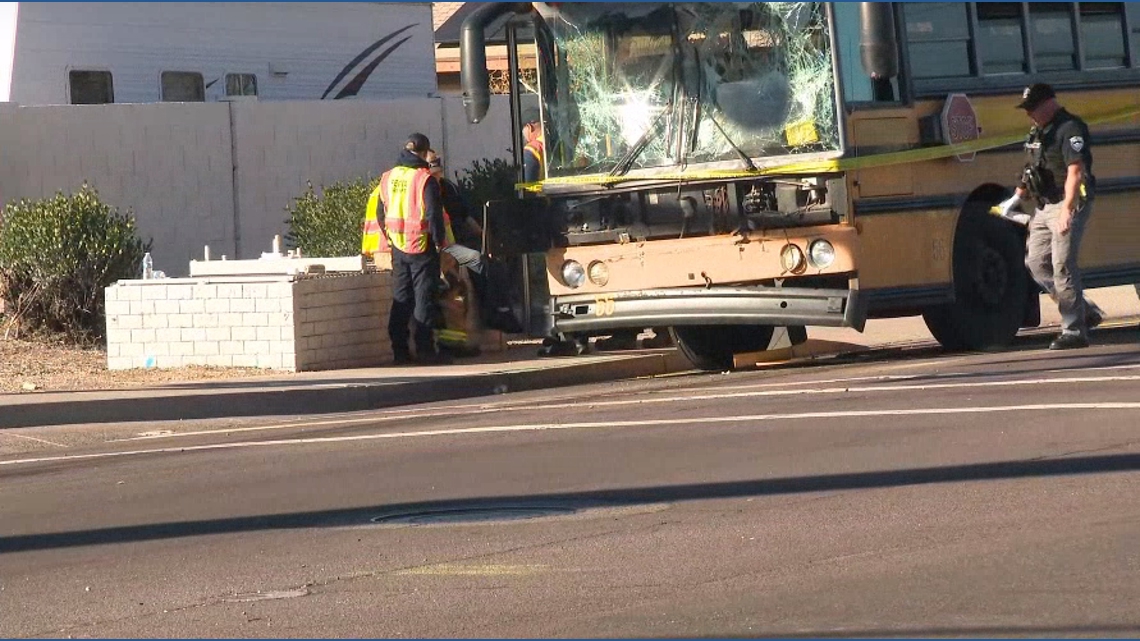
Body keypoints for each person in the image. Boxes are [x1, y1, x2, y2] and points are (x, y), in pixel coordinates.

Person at [995, 83, 1099, 350]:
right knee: (1036, 263)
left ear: (1049, 103)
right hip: (1043, 206)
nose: (1030, 114)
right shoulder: (1038, 132)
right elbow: (1032, 168)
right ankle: (1084, 310)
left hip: (1069, 201)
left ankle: (1074, 331)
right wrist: (1016, 198)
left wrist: (1067, 210)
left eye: (1033, 108)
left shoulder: (1070, 129)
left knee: (1063, 265)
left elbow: (1076, 171)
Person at [367, 133, 452, 365]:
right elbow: (434, 214)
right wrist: (439, 242)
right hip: (422, 247)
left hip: (399, 248)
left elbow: (380, 212)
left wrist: (391, 238)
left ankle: (400, 351)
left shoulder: (388, 177)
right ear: (425, 153)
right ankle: (425, 351)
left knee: (401, 299)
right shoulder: (425, 179)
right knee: (424, 298)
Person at [522, 108, 545, 184]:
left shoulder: (531, 150)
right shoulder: (559, 145)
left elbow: (528, 188)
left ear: (529, 127)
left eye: (523, 128)